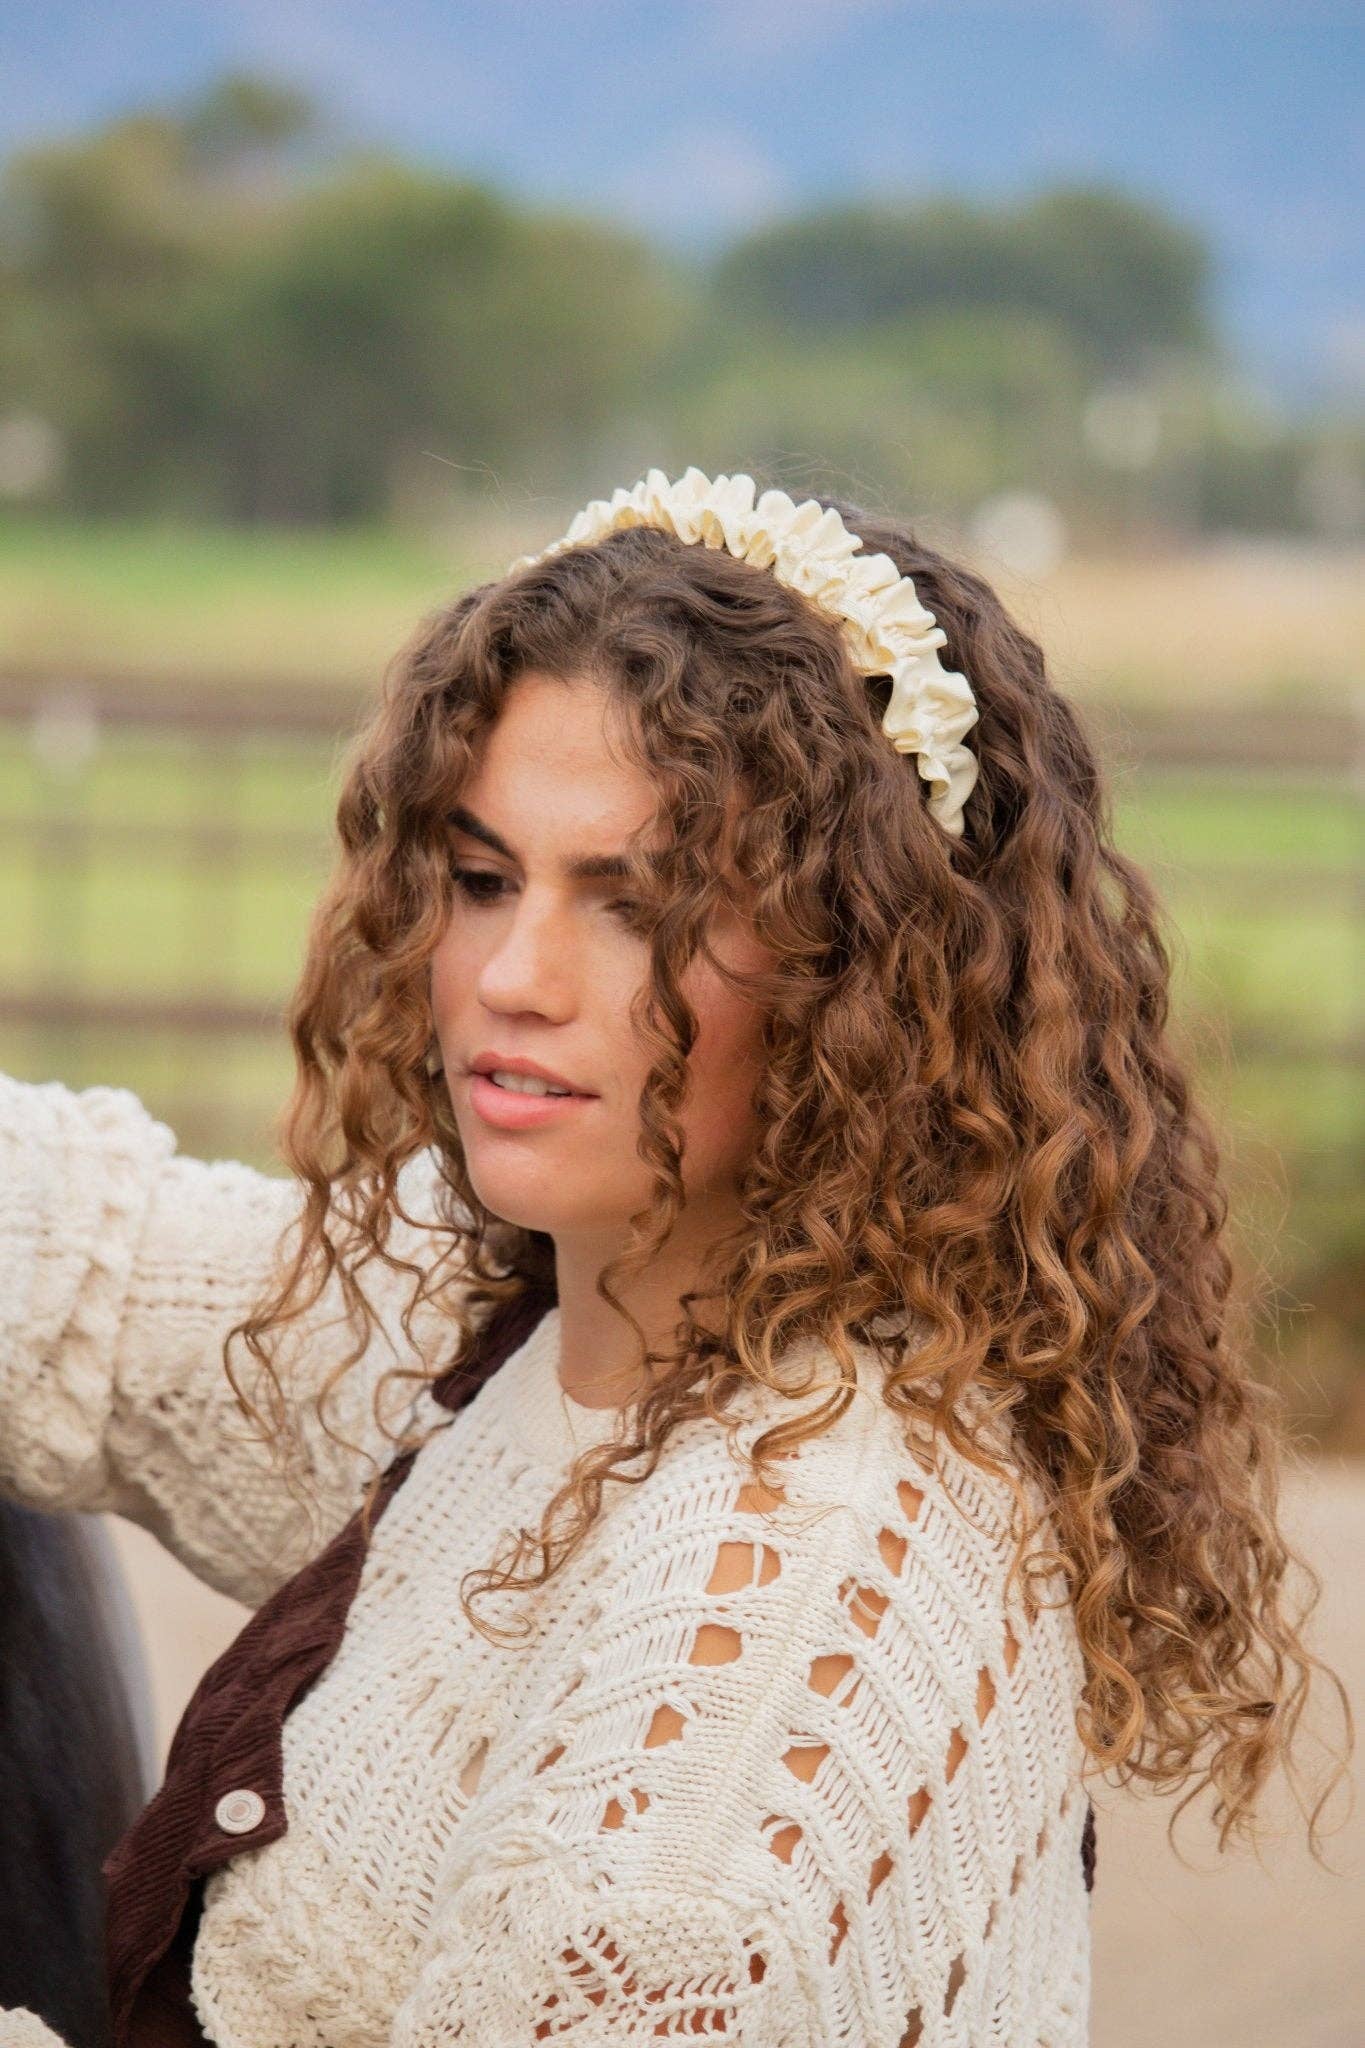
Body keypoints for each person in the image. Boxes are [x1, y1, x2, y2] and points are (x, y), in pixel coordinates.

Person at [0, 468, 1349, 2047]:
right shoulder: (571, 1327)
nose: (513, 975)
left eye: (642, 908)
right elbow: (98, 1272)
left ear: (866, 976)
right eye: (484, 877)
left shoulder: (754, 1684)